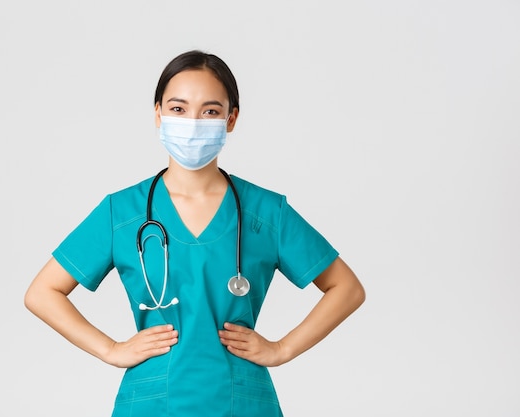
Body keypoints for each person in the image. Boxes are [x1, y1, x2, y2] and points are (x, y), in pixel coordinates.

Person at [24, 50, 365, 417]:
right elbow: (42, 293)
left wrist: (282, 349)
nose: (193, 122)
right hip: (153, 401)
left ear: (231, 119)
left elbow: (347, 289)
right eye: (178, 108)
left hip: (242, 401)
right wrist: (110, 349)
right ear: (157, 113)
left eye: (211, 111)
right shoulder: (121, 212)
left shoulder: (265, 212)